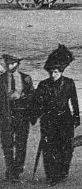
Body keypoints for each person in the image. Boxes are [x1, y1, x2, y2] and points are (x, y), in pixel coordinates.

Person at [32, 45, 79, 186]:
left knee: (66, 148)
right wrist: (35, 116)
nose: (53, 75)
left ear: (61, 71)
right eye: (51, 72)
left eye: (56, 72)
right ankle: (52, 175)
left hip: (65, 119)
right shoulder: (43, 85)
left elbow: (74, 101)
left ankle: (63, 172)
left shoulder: (69, 83)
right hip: (48, 120)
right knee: (48, 148)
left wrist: (77, 117)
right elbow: (36, 103)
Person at [1, 54, 34, 182]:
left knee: (21, 144)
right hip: (6, 115)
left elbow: (33, 96)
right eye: (7, 63)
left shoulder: (26, 78)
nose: (9, 66)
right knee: (7, 144)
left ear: (17, 64)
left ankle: (17, 170)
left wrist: (32, 115)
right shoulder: (1, 79)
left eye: (12, 63)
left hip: (22, 115)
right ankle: (10, 170)